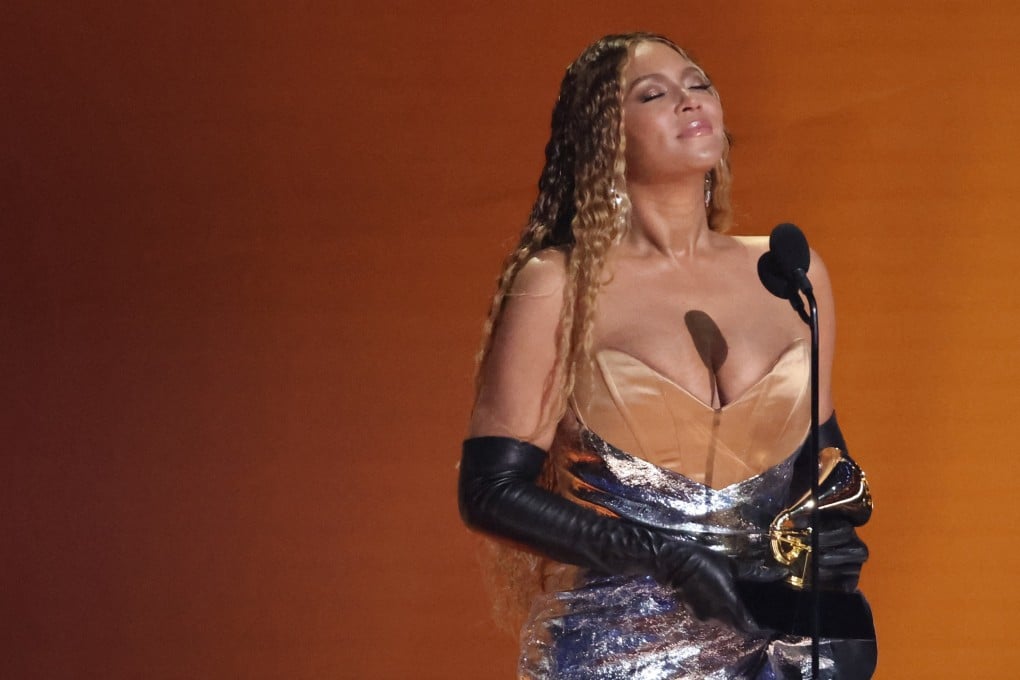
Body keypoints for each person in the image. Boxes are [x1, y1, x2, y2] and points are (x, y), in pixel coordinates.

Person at [458, 32, 876, 679]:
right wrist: (666, 557)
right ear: (606, 138)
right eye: (653, 94)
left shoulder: (789, 272)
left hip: (775, 642)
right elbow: (490, 491)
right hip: (623, 649)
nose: (689, 100)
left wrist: (834, 541)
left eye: (698, 84)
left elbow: (823, 464)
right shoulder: (560, 283)